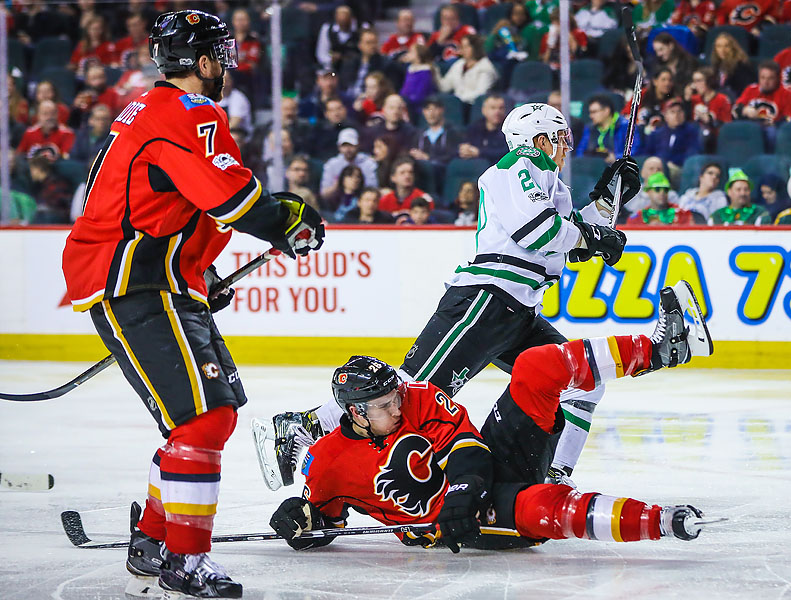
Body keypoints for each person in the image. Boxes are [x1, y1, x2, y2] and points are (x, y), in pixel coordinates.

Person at [60, 12, 326, 599]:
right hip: (135, 283)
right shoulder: (190, 113)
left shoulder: (148, 110)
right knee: (202, 421)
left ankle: (154, 541)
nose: (226, 68)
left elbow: (166, 205)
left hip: (159, 279)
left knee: (211, 417)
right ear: (202, 62)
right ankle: (184, 560)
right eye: (220, 57)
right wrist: (286, 221)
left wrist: (198, 273)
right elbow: (231, 200)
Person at [262, 103, 642, 491]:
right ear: (540, 140)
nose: (567, 147)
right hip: (486, 299)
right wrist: (594, 236)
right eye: (562, 138)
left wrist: (607, 200)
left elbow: (570, 241)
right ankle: (307, 423)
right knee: (415, 392)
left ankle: (554, 477)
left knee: (583, 383)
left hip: (519, 311)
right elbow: (538, 231)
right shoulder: (519, 164)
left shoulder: (550, 183)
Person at [268, 296, 714, 552]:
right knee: (545, 504)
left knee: (537, 365)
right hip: (474, 520)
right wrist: (299, 522)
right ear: (356, 414)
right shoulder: (327, 463)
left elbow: (468, 448)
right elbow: (323, 520)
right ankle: (662, 522)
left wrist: (462, 491)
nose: (399, 407)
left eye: (397, 395)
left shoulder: (417, 398)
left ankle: (660, 350)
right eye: (385, 404)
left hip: (487, 470)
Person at [732, 61, 791, 149]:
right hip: (751, 127)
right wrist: (744, 110)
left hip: (773, 129)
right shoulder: (751, 90)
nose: (765, 82)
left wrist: (775, 123)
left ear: (778, 78)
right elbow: (735, 109)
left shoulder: (788, 94)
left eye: (770, 78)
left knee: (771, 133)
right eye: (762, 78)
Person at [643, 98, 702, 177]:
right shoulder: (658, 133)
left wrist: (673, 163)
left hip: (679, 168)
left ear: (684, 114)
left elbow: (692, 153)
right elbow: (647, 152)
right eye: (672, 112)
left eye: (679, 111)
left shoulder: (692, 131)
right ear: (666, 115)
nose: (676, 115)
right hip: (658, 167)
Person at [574, 95, 638, 162]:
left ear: (606, 111)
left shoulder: (626, 126)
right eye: (590, 112)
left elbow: (635, 150)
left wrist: (616, 158)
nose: (591, 116)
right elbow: (580, 151)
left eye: (594, 112)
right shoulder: (589, 128)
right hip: (594, 166)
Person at [439, 34, 499, 104]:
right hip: (458, 105)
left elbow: (480, 94)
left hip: (474, 106)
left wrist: (458, 99)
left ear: (475, 48)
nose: (462, 50)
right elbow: (445, 87)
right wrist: (434, 71)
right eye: (461, 47)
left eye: (466, 47)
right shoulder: (458, 65)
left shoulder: (486, 68)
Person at [320, 128, 378, 197]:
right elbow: (324, 193)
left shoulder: (368, 163)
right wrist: (338, 184)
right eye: (344, 146)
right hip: (337, 200)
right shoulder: (331, 164)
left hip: (362, 199)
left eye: (351, 145)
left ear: (358, 145)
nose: (347, 149)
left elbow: (373, 188)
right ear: (339, 147)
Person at [409, 95, 464, 166]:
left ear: (442, 110)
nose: (431, 113)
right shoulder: (419, 135)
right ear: (423, 112)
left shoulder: (453, 133)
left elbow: (453, 157)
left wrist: (428, 158)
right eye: (428, 109)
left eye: (435, 108)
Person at [627, 172, 697, 225]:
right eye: (657, 189)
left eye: (666, 190)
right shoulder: (637, 218)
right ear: (648, 191)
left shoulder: (683, 215)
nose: (662, 193)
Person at [688, 67, 732, 152]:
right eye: (694, 81)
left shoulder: (722, 100)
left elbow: (727, 126)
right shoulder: (693, 99)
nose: (695, 85)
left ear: (709, 81)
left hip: (716, 140)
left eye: (699, 81)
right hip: (694, 139)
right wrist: (686, 100)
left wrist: (710, 121)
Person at [339, 29, 392, 99]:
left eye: (375, 42)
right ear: (360, 45)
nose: (372, 46)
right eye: (368, 43)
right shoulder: (350, 63)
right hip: (348, 100)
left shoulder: (385, 64)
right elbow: (343, 85)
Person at [459, 94, 509, 164]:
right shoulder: (474, 127)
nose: (497, 112)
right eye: (493, 108)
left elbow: (505, 151)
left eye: (501, 108)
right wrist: (465, 150)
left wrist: (479, 152)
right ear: (484, 110)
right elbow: (465, 144)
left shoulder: (509, 129)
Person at [27, 155, 74, 224]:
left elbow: (63, 205)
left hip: (57, 221)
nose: (31, 173)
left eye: (32, 170)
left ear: (38, 169)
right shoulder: (40, 186)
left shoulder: (55, 184)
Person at [709, 33, 756, 100]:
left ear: (733, 48)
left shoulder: (741, 66)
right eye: (718, 46)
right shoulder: (717, 65)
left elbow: (744, 91)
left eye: (726, 46)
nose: (722, 50)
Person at [315, 5, 361, 72]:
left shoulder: (361, 28)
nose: (343, 23)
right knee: (328, 75)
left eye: (345, 20)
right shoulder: (327, 29)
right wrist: (331, 59)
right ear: (336, 18)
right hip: (333, 68)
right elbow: (321, 53)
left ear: (351, 18)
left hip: (355, 67)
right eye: (340, 20)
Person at [399, 44, 440, 113]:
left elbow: (420, 95)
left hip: (420, 108)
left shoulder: (425, 72)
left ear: (419, 56)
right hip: (408, 104)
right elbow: (405, 89)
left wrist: (405, 102)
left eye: (411, 52)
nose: (408, 54)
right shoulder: (410, 70)